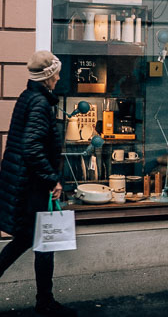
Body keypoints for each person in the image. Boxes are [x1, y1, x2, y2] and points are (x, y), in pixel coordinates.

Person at [0, 51, 77, 316]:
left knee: (30, 241)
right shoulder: (39, 103)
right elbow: (32, 148)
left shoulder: (28, 97)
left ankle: (45, 300)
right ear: (47, 77)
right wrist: (51, 179)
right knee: (43, 242)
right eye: (56, 72)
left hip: (26, 183)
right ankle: (45, 302)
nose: (58, 76)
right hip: (32, 186)